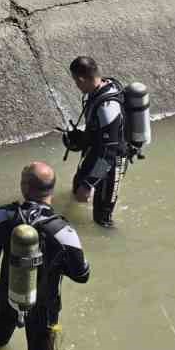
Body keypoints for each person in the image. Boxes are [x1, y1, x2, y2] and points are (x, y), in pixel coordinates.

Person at [0, 162, 90, 350]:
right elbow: (82, 275)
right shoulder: (63, 231)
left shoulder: (3, 215)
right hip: (44, 307)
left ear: (24, 186)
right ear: (52, 189)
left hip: (7, 295)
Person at [61, 56, 129, 227]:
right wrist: (79, 138)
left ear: (82, 79)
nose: (76, 86)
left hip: (112, 161)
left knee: (102, 219)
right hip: (96, 151)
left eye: (76, 82)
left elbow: (109, 153)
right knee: (76, 191)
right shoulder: (99, 90)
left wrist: (89, 184)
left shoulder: (108, 108)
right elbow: (97, 131)